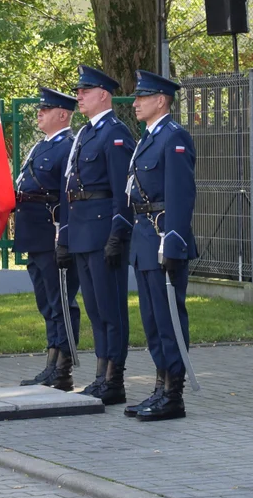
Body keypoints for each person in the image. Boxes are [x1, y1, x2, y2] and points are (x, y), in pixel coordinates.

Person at [55, 65, 135, 405]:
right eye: (79, 91)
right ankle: (101, 374)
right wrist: (66, 236)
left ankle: (114, 377)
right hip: (83, 230)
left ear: (103, 94)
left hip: (103, 231)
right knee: (94, 309)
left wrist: (118, 231)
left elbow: (123, 191)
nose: (79, 96)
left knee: (111, 307)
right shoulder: (87, 134)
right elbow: (70, 189)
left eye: (85, 91)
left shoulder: (115, 134)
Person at [124, 70, 198, 421]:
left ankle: (174, 394)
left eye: (143, 96)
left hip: (163, 238)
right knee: (152, 320)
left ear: (161, 101)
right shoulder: (148, 139)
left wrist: (174, 241)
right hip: (143, 238)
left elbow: (181, 196)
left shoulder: (174, 137)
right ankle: (160, 386)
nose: (136, 102)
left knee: (168, 319)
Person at [14, 87, 81, 391]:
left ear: (63, 114)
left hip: (52, 234)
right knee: (47, 302)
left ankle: (63, 368)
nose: (39, 113)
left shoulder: (68, 146)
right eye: (40, 108)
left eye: (46, 109)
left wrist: (65, 236)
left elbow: (69, 196)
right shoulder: (40, 147)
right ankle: (51, 363)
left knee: (61, 302)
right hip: (34, 234)